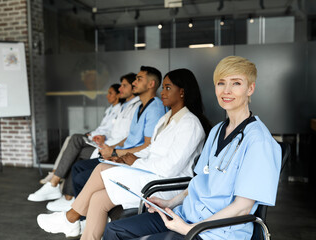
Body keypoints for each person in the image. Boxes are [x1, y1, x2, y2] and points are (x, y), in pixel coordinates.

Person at [103, 56, 282, 240]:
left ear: (250, 88)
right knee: (114, 230)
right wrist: (169, 202)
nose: (227, 91)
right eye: (221, 83)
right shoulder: (217, 130)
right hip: (186, 215)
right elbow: (199, 181)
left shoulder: (259, 141)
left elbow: (243, 207)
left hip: (217, 230)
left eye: (236, 83)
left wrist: (192, 228)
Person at [36, 68, 212, 239]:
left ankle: (71, 217)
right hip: (149, 173)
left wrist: (135, 162)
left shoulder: (190, 124)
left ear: (182, 92)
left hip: (164, 185)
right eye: (163, 87)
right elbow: (152, 149)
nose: (163, 92)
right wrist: (124, 158)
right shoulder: (166, 120)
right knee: (98, 198)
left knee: (101, 168)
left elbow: (170, 168)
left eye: (168, 88)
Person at [44, 66, 166, 212]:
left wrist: (115, 153)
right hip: (120, 152)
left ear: (151, 84)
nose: (135, 83)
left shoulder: (155, 108)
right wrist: (112, 148)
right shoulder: (141, 107)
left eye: (139, 79)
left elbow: (148, 145)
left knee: (81, 174)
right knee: (78, 167)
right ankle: (74, 204)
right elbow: (129, 137)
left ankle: (78, 211)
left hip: (132, 159)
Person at [28, 73, 141, 202]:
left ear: (133, 87)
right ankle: (65, 194)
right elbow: (112, 130)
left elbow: (128, 136)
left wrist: (111, 146)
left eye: (124, 86)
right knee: (73, 141)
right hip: (106, 143)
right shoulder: (124, 107)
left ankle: (60, 187)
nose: (120, 89)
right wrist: (102, 136)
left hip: (112, 148)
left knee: (75, 141)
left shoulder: (136, 107)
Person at [39, 83, 122, 185]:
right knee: (70, 139)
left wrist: (93, 136)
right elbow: (101, 128)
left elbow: (109, 132)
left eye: (110, 93)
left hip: (102, 141)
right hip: (95, 137)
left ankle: (56, 175)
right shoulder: (109, 109)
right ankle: (55, 173)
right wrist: (90, 134)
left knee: (74, 141)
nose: (107, 95)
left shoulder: (120, 110)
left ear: (118, 95)